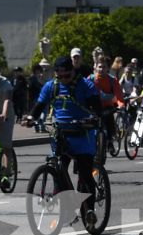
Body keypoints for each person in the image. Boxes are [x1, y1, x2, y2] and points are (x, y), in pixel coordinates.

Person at [25, 52, 106, 196]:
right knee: (58, 168)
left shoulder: (86, 85)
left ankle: (89, 211)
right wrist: (31, 117)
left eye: (66, 76)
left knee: (84, 172)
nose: (63, 80)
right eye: (59, 76)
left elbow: (97, 107)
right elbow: (39, 104)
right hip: (61, 132)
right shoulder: (51, 86)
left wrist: (94, 118)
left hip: (83, 133)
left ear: (73, 71)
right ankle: (65, 199)